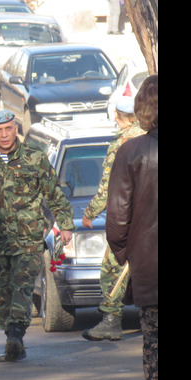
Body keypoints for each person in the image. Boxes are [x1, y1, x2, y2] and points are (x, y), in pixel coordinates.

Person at [0, 110, 73, 362]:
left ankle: (16, 334)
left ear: (16, 128)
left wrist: (66, 224)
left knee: (22, 288)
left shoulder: (34, 157)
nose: (4, 135)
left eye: (9, 128)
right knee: (2, 292)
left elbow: (53, 193)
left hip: (28, 238)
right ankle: (12, 338)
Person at [106, 75, 158, 380]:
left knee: (154, 343)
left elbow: (117, 217)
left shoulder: (130, 151)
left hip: (149, 266)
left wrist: (128, 255)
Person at [81, 96, 144, 341]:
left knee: (112, 268)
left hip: (129, 220)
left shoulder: (123, 143)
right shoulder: (150, 136)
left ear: (116, 114)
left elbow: (110, 186)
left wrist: (90, 213)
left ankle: (111, 320)